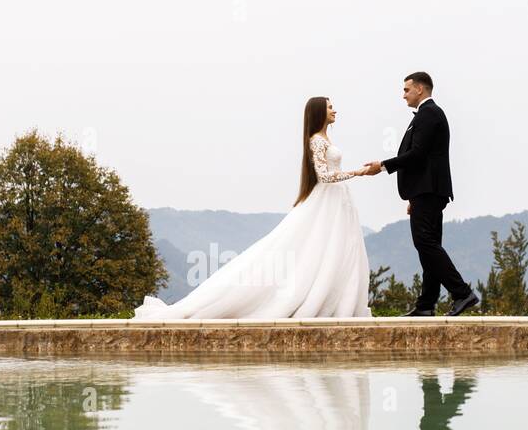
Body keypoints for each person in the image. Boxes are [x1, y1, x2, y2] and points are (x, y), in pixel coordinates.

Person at [131, 96, 372, 319]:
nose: (334, 110)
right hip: (328, 201)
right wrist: (357, 172)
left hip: (337, 202)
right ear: (319, 112)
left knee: (336, 250)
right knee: (315, 250)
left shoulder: (324, 139)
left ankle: (336, 301)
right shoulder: (317, 141)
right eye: (330, 107)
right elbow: (324, 176)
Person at [360, 72, 480, 317]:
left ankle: (461, 293)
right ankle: (426, 304)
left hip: (429, 190)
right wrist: (415, 196)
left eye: (406, 90)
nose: (403, 95)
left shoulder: (429, 114)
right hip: (426, 192)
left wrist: (382, 166)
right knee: (429, 244)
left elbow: (417, 155)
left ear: (420, 90)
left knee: (425, 243)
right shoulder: (428, 114)